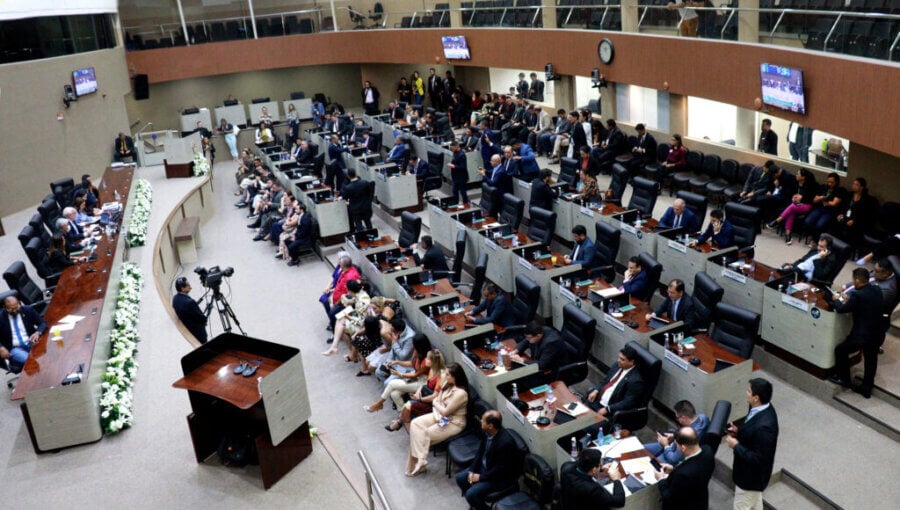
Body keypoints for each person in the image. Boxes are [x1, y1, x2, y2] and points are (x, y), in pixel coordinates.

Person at [826, 267, 884, 398]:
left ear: (857, 280)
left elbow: (841, 309)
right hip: (877, 332)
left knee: (840, 350)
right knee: (871, 360)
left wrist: (836, 299)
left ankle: (844, 379)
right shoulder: (876, 289)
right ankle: (867, 388)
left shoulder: (858, 295)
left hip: (862, 335)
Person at [406, 363, 468, 477]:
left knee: (421, 436)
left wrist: (435, 402)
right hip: (439, 415)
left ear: (455, 376)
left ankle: (417, 466)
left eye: (448, 374)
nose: (445, 375)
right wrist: (436, 402)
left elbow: (444, 410)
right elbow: (438, 400)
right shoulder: (446, 384)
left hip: (454, 422)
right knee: (415, 425)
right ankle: (421, 460)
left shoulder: (461, 393)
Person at [725, 378, 779, 510]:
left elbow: (758, 458)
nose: (746, 393)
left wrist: (736, 445)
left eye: (748, 391)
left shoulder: (765, 427)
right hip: (749, 477)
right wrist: (739, 431)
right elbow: (751, 431)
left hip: (750, 480)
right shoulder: (757, 408)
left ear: (756, 397)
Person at [454, 410, 524, 510]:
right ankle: (476, 503)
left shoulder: (505, 443)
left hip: (499, 478)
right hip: (485, 468)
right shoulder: (487, 432)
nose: (481, 421)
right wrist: (472, 470)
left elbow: (500, 470)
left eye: (483, 421)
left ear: (490, 426)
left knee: (470, 494)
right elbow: (480, 453)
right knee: (460, 478)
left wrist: (480, 477)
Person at [365, 333, 431, 412]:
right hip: (415, 378)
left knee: (392, 383)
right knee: (394, 394)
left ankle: (378, 404)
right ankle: (404, 415)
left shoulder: (427, 359)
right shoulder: (417, 352)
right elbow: (411, 363)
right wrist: (397, 362)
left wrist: (399, 374)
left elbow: (415, 374)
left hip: (422, 382)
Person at [653, 427, 716, 510]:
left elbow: (669, 497)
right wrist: (673, 469)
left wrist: (661, 479)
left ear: (683, 447)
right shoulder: (708, 451)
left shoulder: (683, 474)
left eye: (677, 445)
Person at [386, 349, 446, 432]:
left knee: (408, 405)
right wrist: (418, 392)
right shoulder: (432, 370)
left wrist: (420, 399)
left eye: (428, 359)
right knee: (405, 405)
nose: (426, 360)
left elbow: (435, 396)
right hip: (425, 397)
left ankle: (400, 423)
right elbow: (426, 385)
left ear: (434, 361)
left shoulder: (441, 376)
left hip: (432, 403)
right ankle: (401, 424)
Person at [584, 345, 645, 417]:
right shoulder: (617, 365)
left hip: (608, 410)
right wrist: (596, 390)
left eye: (622, 359)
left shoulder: (635, 380)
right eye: (619, 357)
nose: (618, 360)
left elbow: (627, 402)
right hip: (597, 400)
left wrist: (608, 409)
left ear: (631, 362)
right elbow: (606, 381)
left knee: (587, 425)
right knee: (577, 414)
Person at [643, 400, 710, 465]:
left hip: (670, 454)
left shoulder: (687, 438)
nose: (677, 420)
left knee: (651, 465)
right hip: (672, 444)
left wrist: (665, 446)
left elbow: (673, 459)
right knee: (642, 448)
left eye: (677, 417)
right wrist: (675, 435)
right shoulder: (703, 417)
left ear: (683, 418)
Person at [559, 448, 625, 509]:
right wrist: (617, 480)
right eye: (599, 464)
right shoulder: (593, 489)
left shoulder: (566, 466)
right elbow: (619, 502)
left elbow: (580, 464)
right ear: (593, 469)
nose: (601, 464)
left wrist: (600, 468)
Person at [767, 168, 817, 245]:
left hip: (807, 206)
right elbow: (792, 195)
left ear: (803, 177)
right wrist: (794, 198)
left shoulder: (811, 186)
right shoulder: (796, 184)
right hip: (795, 205)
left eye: (798, 174)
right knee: (791, 212)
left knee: (792, 207)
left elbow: (810, 200)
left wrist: (801, 198)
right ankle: (788, 235)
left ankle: (776, 221)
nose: (796, 175)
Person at [0, 294, 47, 372]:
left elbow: (42, 323)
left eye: (16, 307)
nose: (15, 311)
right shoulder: (1, 318)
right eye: (11, 309)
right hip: (15, 348)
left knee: (48, 354)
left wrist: (38, 332)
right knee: (31, 362)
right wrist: (1, 348)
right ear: (5, 308)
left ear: (19, 303)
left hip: (31, 342)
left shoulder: (27, 310)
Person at [834, 177, 879, 249]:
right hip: (846, 217)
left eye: (856, 185)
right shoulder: (849, 195)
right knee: (836, 224)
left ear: (861, 187)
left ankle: (852, 249)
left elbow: (865, 214)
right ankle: (837, 247)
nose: (853, 186)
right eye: (853, 184)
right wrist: (840, 214)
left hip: (857, 221)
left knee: (854, 230)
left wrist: (855, 220)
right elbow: (842, 206)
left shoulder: (866, 200)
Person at [804, 172, 848, 242]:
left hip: (830, 211)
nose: (829, 184)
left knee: (819, 225)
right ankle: (813, 236)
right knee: (807, 221)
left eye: (832, 182)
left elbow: (834, 203)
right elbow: (814, 200)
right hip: (820, 208)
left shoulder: (840, 190)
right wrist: (821, 198)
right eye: (828, 182)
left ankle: (816, 240)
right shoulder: (824, 187)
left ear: (836, 182)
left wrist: (824, 200)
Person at [172, 276, 208, 344]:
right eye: (188, 285)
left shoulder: (175, 299)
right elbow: (201, 318)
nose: (190, 286)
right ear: (182, 288)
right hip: (198, 334)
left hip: (188, 330)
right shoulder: (190, 303)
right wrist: (205, 319)